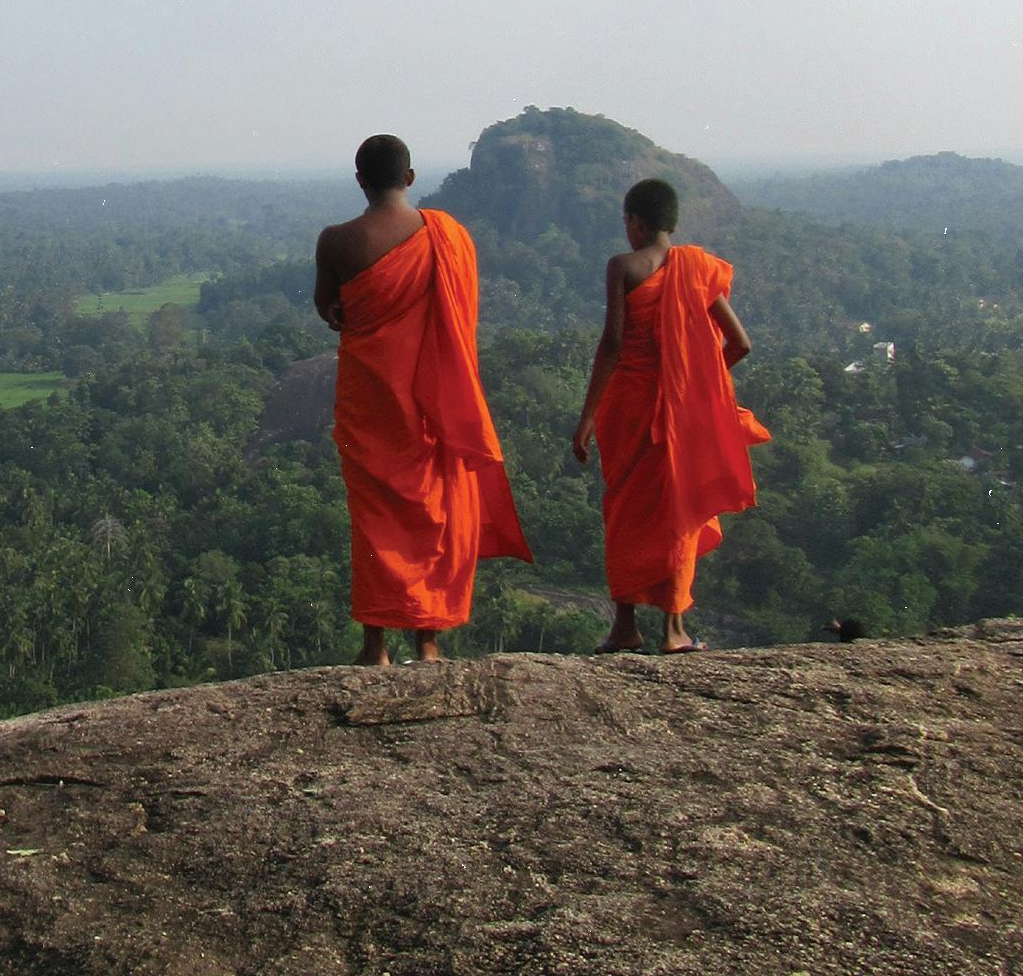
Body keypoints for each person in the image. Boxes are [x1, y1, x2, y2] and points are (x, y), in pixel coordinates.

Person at [316, 134, 531, 665]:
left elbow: (328, 307)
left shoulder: (337, 241)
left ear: (360, 180)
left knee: (375, 521)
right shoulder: (447, 237)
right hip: (434, 404)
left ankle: (375, 646)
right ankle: (428, 643)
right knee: (435, 513)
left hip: (372, 406)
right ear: (410, 178)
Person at [572, 178, 770, 654]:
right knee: (679, 514)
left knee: (624, 512)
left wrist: (586, 416)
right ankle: (673, 630)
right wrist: (695, 384)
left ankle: (624, 626)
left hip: (628, 409)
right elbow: (740, 343)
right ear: (672, 223)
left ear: (635, 223)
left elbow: (612, 343)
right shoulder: (697, 270)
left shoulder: (623, 266)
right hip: (683, 417)